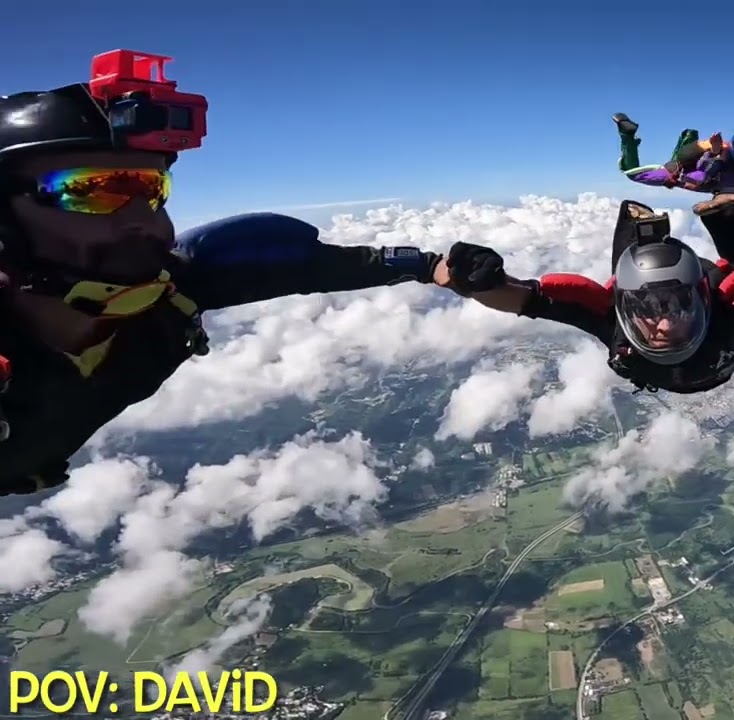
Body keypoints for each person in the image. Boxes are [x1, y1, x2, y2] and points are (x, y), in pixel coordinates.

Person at [0, 49, 458, 496]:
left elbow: (308, 265)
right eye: (89, 190)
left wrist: (431, 265)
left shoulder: (171, 289)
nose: (145, 219)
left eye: (152, 188)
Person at [432, 182, 734, 394]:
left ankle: (666, 226)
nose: (664, 322)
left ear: (700, 299)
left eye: (676, 305)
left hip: (706, 291)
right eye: (649, 310)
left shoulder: (717, 307)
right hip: (702, 315)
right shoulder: (723, 314)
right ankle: (726, 211)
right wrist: (473, 283)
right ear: (627, 310)